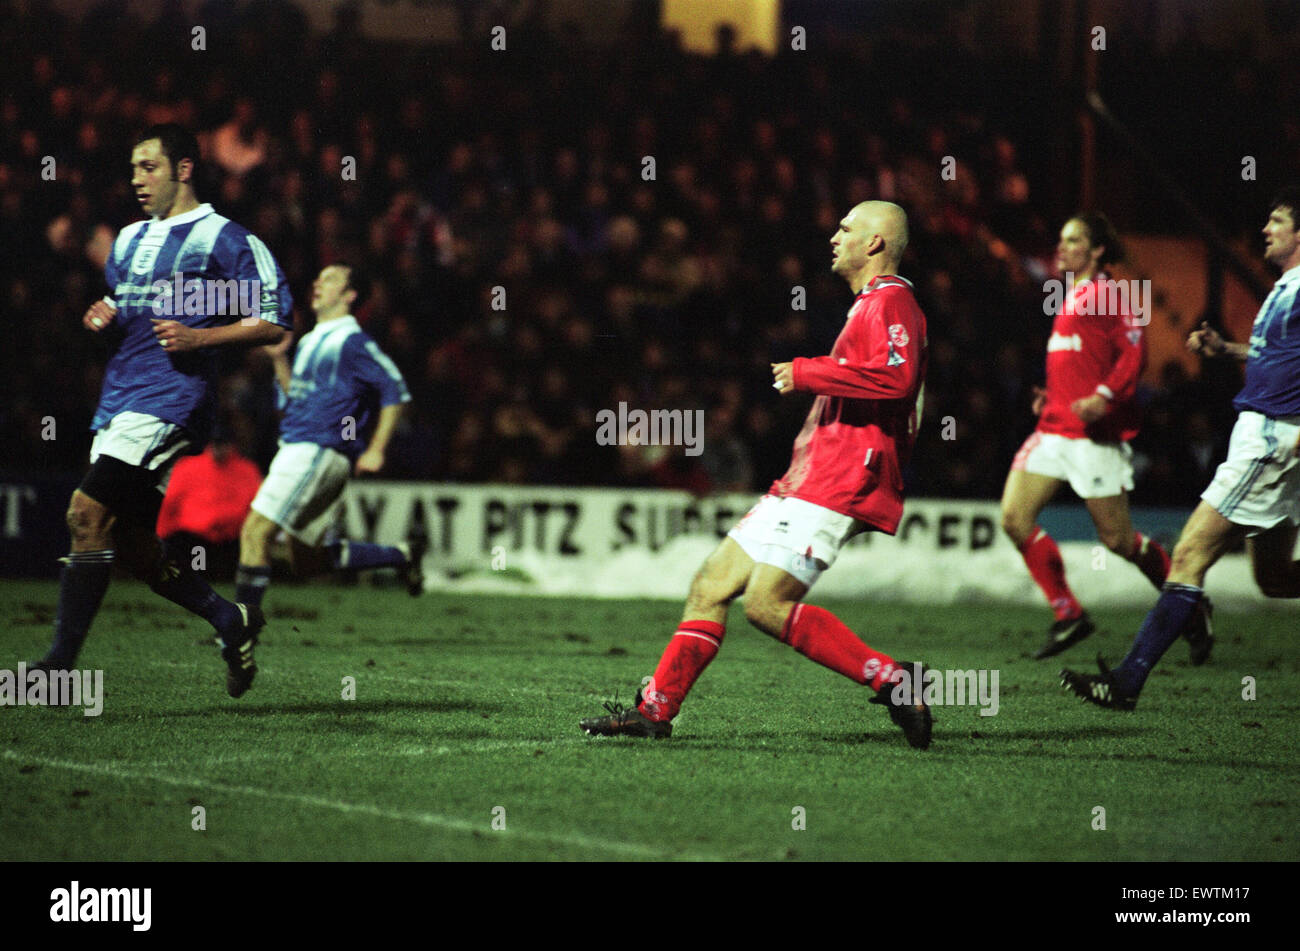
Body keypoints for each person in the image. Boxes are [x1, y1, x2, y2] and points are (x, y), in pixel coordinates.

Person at [580, 201, 934, 748]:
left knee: (766, 605)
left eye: (846, 229)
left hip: (840, 480)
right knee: (710, 585)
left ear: (875, 244)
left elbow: (897, 380)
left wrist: (808, 372)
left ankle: (895, 679)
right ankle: (654, 710)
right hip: (805, 479)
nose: (834, 236)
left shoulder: (893, 301)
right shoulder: (868, 306)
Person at [29, 123, 292, 697]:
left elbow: (275, 319)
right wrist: (106, 314)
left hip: (172, 402)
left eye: (148, 166)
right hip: (119, 402)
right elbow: (131, 309)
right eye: (131, 168)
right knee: (137, 549)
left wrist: (203, 340)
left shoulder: (221, 237)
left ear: (184, 169)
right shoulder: (125, 242)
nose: (136, 179)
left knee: (85, 514)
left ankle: (55, 671)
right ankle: (231, 619)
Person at [1063, 189, 1300, 709]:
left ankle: (1126, 682)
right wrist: (1227, 349)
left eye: (1277, 221)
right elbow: (1280, 355)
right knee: (1276, 578)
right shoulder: (1287, 286)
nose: (1266, 229)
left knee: (1188, 557)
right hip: (1276, 437)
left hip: (1269, 439)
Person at [1000, 213, 1209, 661]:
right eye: (1060, 239)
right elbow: (1077, 362)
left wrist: (1104, 396)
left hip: (1094, 434)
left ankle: (1191, 607)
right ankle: (1068, 613)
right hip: (1054, 429)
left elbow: (1134, 352)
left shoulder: (1111, 293)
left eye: (1073, 240)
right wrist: (1051, 397)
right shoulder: (1068, 295)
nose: (1062, 247)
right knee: (1014, 519)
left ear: (1097, 250)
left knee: (1118, 541)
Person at [235, 263, 422, 614]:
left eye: (331, 279)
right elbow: (296, 400)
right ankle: (402, 554)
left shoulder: (350, 342)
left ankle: (237, 632)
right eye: (318, 277)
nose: (319, 283)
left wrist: (377, 449)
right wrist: (279, 361)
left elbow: (394, 389)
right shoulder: (309, 341)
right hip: (309, 449)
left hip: (316, 449)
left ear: (350, 296)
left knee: (254, 533)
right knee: (308, 562)